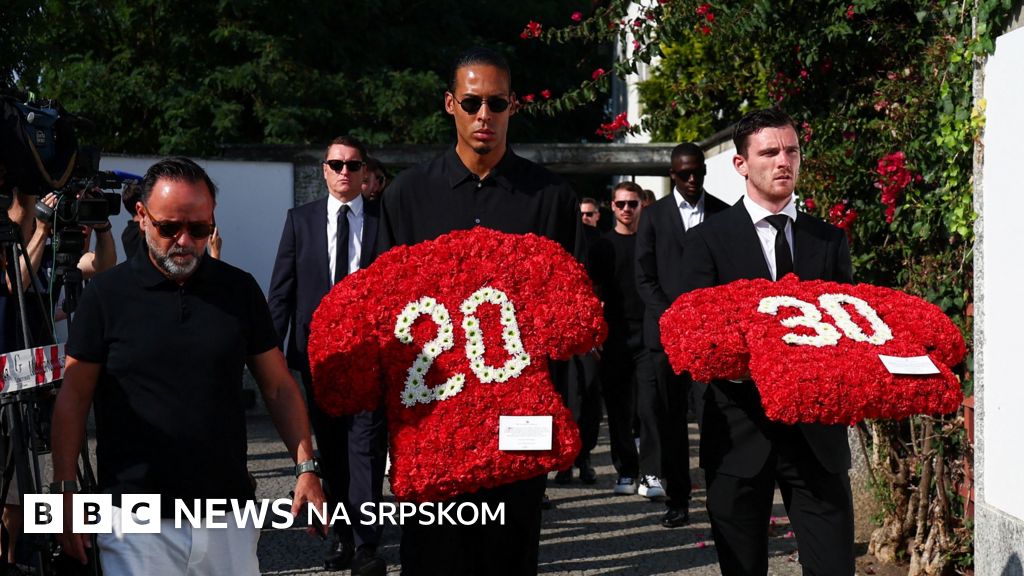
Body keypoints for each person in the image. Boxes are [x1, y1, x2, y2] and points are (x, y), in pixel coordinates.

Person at [50, 157, 326, 575]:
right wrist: (64, 493)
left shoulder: (238, 289)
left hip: (228, 514)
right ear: (142, 216)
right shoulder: (106, 295)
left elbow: (278, 387)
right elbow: (73, 397)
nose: (184, 240)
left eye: (199, 229)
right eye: (169, 228)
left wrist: (306, 468)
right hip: (134, 522)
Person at [378, 47, 579, 576]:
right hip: (431, 415)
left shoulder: (551, 197)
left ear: (514, 106)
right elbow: (386, 311)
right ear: (451, 104)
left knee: (510, 556)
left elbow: (569, 312)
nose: (483, 114)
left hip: (519, 416)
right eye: (471, 103)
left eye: (496, 103)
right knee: (431, 559)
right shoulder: (407, 195)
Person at [678, 108, 855, 575]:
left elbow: (848, 328)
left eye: (791, 151)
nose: (783, 162)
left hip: (817, 435)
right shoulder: (707, 240)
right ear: (741, 164)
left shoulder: (828, 240)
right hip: (739, 432)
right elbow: (693, 335)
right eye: (770, 152)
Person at [267, 135, 386, 575]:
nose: (344, 172)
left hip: (370, 357)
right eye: (336, 164)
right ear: (324, 170)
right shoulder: (300, 220)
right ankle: (343, 535)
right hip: (318, 359)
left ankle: (368, 543)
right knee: (332, 450)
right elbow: (282, 291)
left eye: (353, 165)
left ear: (364, 172)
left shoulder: (383, 221)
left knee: (366, 449)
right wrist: (268, 354)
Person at [635, 142, 729, 528]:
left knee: (714, 419)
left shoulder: (723, 212)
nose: (693, 180)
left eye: (698, 172)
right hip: (665, 337)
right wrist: (674, 316)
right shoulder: (653, 216)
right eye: (685, 174)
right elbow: (644, 276)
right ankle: (678, 500)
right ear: (672, 175)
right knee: (670, 421)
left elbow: (729, 274)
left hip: (710, 338)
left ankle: (722, 499)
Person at [588, 182, 660, 498]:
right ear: (612, 206)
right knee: (618, 409)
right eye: (621, 204)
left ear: (642, 204)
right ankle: (627, 471)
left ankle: (652, 473)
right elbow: (592, 292)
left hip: (648, 333)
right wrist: (593, 335)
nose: (627, 209)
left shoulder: (652, 243)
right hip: (614, 334)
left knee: (649, 407)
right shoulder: (602, 246)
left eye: (632, 203)